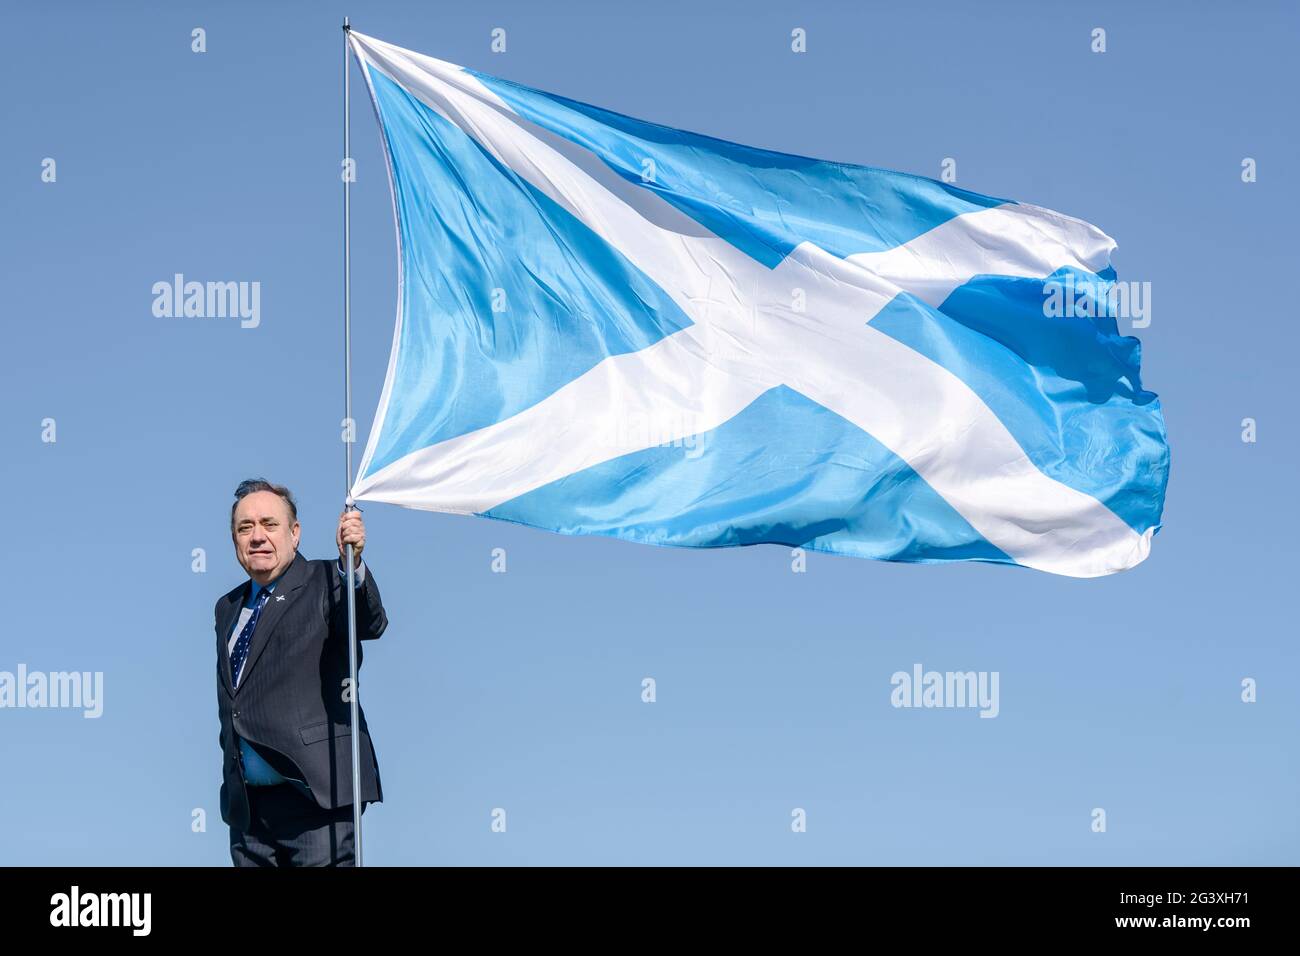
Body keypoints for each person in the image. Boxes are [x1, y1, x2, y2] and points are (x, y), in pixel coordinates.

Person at [214, 478, 388, 866]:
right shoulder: (227, 607)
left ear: (295, 534)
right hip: (249, 813)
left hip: (316, 798)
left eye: (269, 524)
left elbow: (368, 622)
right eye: (245, 528)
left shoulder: (326, 580)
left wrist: (352, 563)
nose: (257, 536)